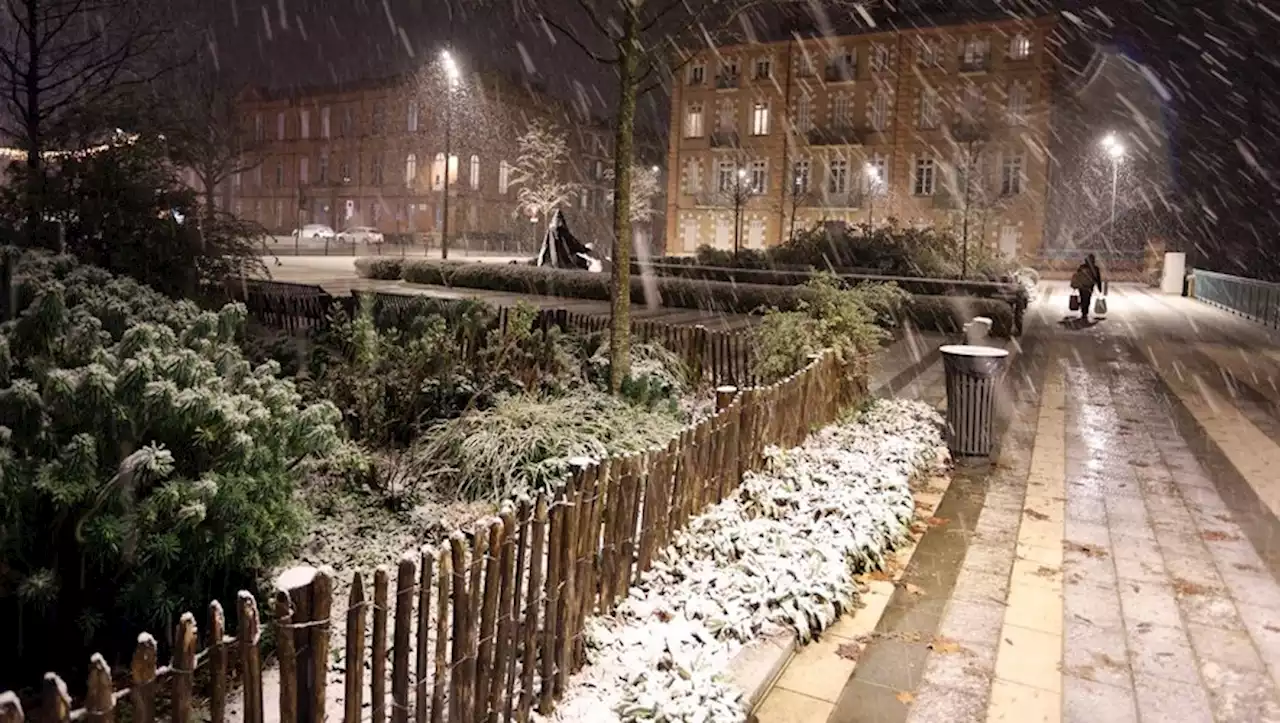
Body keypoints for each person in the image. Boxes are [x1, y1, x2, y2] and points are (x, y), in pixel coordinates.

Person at [1070, 254, 1104, 321]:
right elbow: (1098, 278)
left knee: (1083, 297)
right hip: (1089, 286)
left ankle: (1083, 310)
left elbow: (1078, 276)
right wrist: (1099, 288)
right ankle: (1085, 311)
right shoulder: (1095, 268)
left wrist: (1075, 285)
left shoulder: (1082, 267)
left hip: (1082, 286)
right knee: (1087, 299)